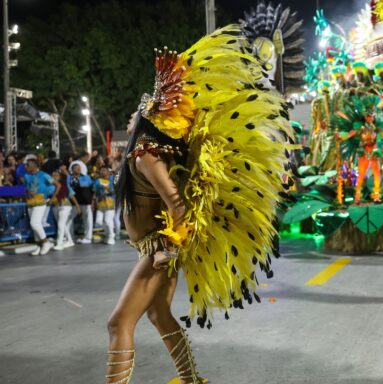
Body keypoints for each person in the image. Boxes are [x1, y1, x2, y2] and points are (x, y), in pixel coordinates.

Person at [105, 25, 295, 384]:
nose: (132, 116)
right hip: (154, 247)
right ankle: (192, 380)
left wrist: (168, 250)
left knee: (118, 323)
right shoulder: (145, 156)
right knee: (159, 317)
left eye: (139, 110)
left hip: (158, 250)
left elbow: (178, 206)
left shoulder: (147, 157)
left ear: (147, 119)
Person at [23, 158, 58, 255]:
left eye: (28, 165)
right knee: (34, 226)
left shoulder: (43, 175)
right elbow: (27, 188)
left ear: (35, 166)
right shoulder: (26, 176)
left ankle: (46, 243)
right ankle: (38, 246)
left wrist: (52, 198)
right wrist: (27, 192)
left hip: (41, 201)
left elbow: (58, 185)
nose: (26, 167)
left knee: (35, 223)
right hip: (30, 202)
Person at [52, 169, 79, 250]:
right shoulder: (50, 184)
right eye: (52, 175)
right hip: (55, 206)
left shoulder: (64, 184)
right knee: (62, 225)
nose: (54, 177)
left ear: (60, 176)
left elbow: (71, 195)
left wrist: (77, 205)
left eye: (56, 175)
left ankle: (59, 243)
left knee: (61, 224)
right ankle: (70, 241)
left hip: (65, 205)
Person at [69, 160, 94, 244]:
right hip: (74, 203)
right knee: (69, 219)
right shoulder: (69, 178)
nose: (78, 169)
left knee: (88, 220)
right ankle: (70, 236)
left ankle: (88, 237)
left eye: (79, 168)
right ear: (72, 170)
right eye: (76, 168)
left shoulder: (86, 177)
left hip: (86, 202)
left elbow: (92, 189)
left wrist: (93, 201)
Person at [93, 166, 117, 245]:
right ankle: (108, 234)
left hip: (109, 202)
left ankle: (111, 236)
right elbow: (95, 190)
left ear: (108, 172)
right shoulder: (97, 180)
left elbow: (113, 191)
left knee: (107, 220)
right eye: (101, 171)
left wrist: (106, 188)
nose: (103, 172)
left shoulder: (111, 181)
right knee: (98, 222)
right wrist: (93, 201)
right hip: (100, 203)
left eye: (105, 170)